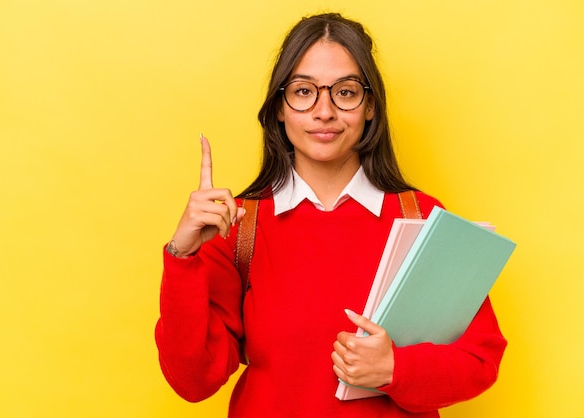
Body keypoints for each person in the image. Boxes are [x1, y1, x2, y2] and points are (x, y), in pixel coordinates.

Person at [155, 12, 506, 417]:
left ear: (370, 105)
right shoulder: (238, 225)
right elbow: (192, 382)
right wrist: (182, 258)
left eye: (345, 92)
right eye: (304, 92)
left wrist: (395, 368)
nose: (325, 111)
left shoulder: (423, 217)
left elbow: (479, 361)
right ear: (280, 108)